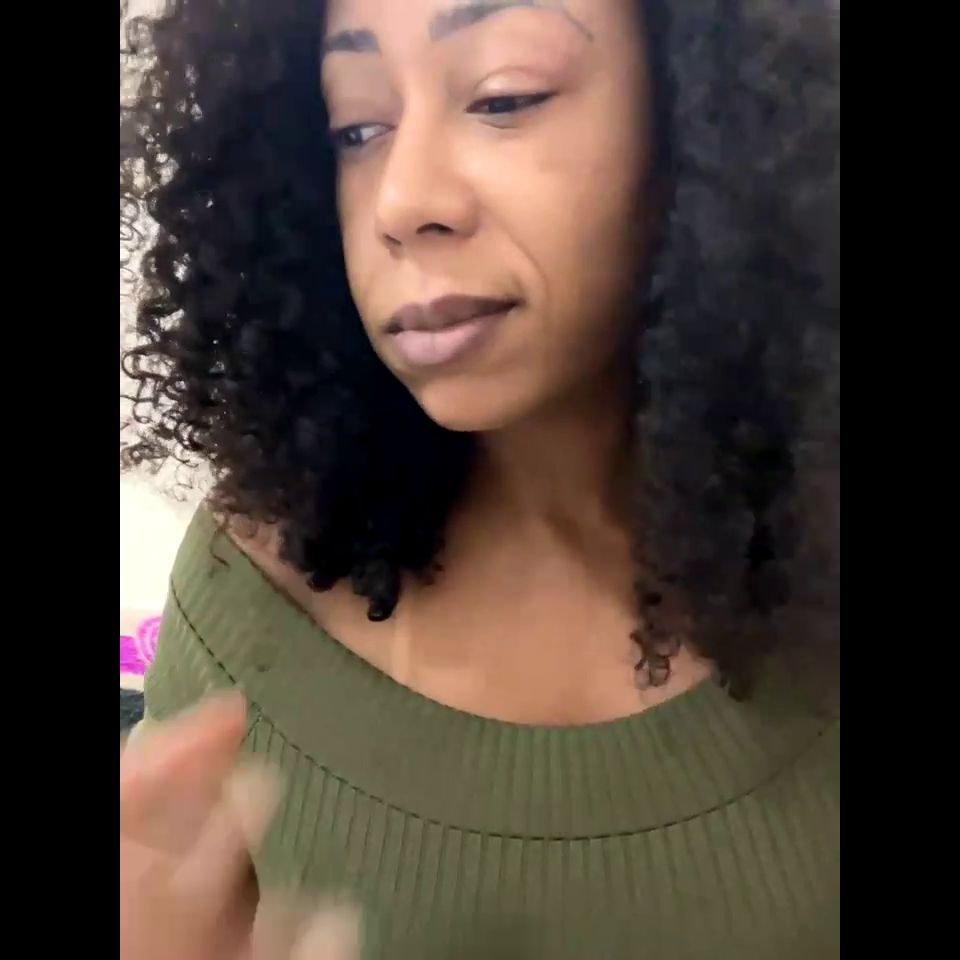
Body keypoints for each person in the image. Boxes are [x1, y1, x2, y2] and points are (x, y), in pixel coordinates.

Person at [119, 0, 840, 957]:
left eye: (505, 98)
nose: (402, 200)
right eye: (357, 127)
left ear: (699, 116)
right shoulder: (254, 592)